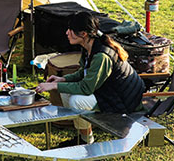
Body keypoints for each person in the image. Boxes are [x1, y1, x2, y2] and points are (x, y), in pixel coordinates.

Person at [35, 10, 144, 145]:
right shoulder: (89, 45)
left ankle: (86, 140)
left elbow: (86, 88)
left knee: (77, 100)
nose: (67, 33)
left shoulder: (101, 56)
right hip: (109, 92)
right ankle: (85, 138)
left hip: (123, 101)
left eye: (71, 30)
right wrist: (63, 79)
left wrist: (53, 85)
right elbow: (84, 72)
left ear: (84, 34)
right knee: (65, 90)